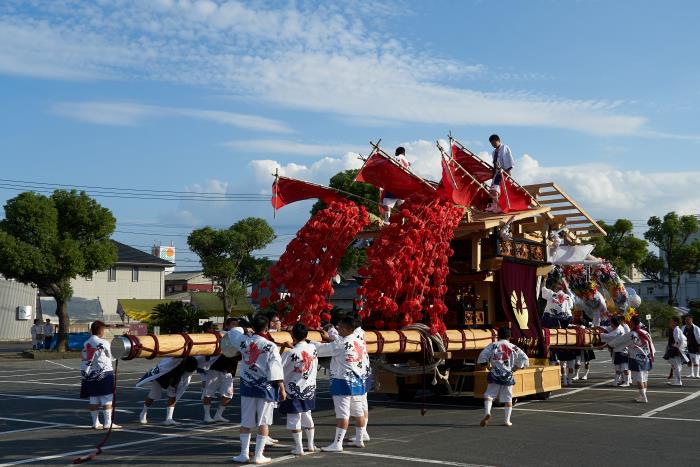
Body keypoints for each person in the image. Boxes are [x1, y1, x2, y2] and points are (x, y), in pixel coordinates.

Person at [228, 314, 285, 464]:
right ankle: (259, 455)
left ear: (253, 327)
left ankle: (243, 454)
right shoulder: (270, 346)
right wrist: (282, 388)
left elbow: (233, 331)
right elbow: (276, 369)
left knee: (246, 422)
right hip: (265, 388)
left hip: (248, 386)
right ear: (267, 328)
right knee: (263, 422)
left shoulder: (244, 341)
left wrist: (245, 329)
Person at [314, 316, 369, 452]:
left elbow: (321, 349)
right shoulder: (359, 339)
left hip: (342, 382)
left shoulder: (341, 343)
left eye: (339, 327)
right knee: (358, 412)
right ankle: (359, 439)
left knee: (343, 414)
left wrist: (307, 342)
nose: (338, 329)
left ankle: (337, 444)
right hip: (358, 381)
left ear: (345, 329)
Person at [477, 326, 529, 427]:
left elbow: (482, 357)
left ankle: (487, 412)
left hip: (495, 373)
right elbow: (524, 359)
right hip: (508, 375)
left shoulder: (493, 345)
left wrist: (489, 367)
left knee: (489, 395)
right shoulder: (514, 347)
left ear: (498, 336)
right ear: (509, 336)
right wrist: (515, 368)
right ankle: (507, 421)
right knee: (508, 399)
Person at [280, 323, 319, 456]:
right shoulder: (313, 348)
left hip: (293, 388)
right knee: (307, 416)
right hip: (309, 387)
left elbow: (277, 366)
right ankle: (310, 444)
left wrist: (282, 349)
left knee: (294, 418)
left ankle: (299, 447)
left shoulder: (291, 352)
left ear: (292, 335)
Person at [136, 356, 198, 425]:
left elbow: (184, 380)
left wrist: (175, 384)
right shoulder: (173, 360)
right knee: (153, 395)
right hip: (161, 376)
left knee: (172, 396)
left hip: (173, 378)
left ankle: (169, 418)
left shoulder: (188, 365)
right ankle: (143, 412)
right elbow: (163, 366)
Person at [80, 320, 120, 429]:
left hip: (90, 373)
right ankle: (108, 422)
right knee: (107, 397)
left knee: (94, 398)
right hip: (104, 372)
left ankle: (95, 423)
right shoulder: (104, 343)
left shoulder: (86, 343)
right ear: (101, 330)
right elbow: (112, 357)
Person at [609, 315, 655, 403]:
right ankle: (642, 395)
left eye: (630, 321)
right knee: (644, 377)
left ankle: (644, 397)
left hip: (637, 358)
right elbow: (651, 344)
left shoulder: (632, 334)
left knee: (639, 379)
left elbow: (620, 341)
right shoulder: (645, 332)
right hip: (646, 357)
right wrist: (652, 355)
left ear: (633, 323)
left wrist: (609, 345)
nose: (629, 323)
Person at [202, 353, 239, 423]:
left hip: (228, 371)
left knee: (228, 394)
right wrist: (203, 377)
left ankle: (218, 415)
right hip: (215, 369)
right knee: (208, 393)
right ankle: (207, 416)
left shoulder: (238, 344)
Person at [485, 134, 514, 213]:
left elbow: (508, 160)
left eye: (494, 143)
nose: (493, 145)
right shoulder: (494, 152)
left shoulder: (504, 148)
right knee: (493, 190)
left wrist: (508, 172)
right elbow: (495, 163)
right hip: (497, 173)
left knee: (500, 190)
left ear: (498, 141)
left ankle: (499, 206)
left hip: (504, 172)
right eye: (491, 144)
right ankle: (495, 206)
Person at [382, 147, 411, 223]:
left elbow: (387, 169)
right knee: (402, 208)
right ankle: (402, 224)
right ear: (404, 153)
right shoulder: (407, 162)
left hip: (393, 185)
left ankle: (387, 222)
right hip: (403, 187)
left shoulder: (394, 158)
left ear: (396, 153)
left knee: (387, 205)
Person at [600, 316, 631, 387]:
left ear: (614, 323)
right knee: (617, 368)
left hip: (623, 351)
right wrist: (598, 327)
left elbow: (609, 336)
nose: (610, 324)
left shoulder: (619, 330)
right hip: (617, 351)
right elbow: (607, 328)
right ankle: (616, 382)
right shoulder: (616, 327)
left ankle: (627, 382)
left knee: (624, 368)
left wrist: (599, 334)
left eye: (611, 322)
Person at [664, 317, 688, 387]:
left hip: (675, 350)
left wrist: (675, 346)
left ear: (675, 322)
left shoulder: (676, 330)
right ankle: (676, 380)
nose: (669, 322)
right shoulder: (675, 329)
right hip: (676, 349)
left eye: (671, 321)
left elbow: (678, 341)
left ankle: (678, 381)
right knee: (676, 365)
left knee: (676, 365)